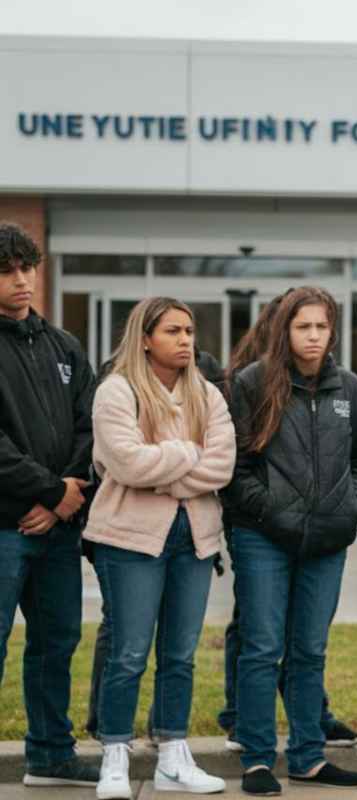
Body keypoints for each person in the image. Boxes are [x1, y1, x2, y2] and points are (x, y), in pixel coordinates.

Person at [224, 286, 357, 795]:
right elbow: (237, 470)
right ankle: (257, 760)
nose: (313, 336)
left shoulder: (351, 390)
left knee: (310, 649)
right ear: (284, 330)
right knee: (262, 647)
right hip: (263, 537)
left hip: (328, 540)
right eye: (302, 327)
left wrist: (346, 509)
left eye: (321, 326)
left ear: (333, 330)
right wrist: (275, 513)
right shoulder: (251, 383)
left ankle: (309, 757)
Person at [85, 297, 235, 799]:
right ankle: (114, 757)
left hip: (193, 539)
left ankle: (173, 755)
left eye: (190, 330)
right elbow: (125, 463)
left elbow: (223, 466)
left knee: (180, 654)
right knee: (128, 653)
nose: (187, 340)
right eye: (173, 331)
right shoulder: (116, 391)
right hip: (129, 540)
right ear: (145, 338)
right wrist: (186, 454)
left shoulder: (208, 395)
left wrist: (165, 471)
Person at [0, 222, 99, 787]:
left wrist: (67, 496)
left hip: (58, 526)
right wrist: (48, 491)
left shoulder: (64, 346)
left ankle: (51, 754)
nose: (21, 280)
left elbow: (91, 428)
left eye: (27, 267)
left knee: (55, 644)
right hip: (6, 525)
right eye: (8, 270)